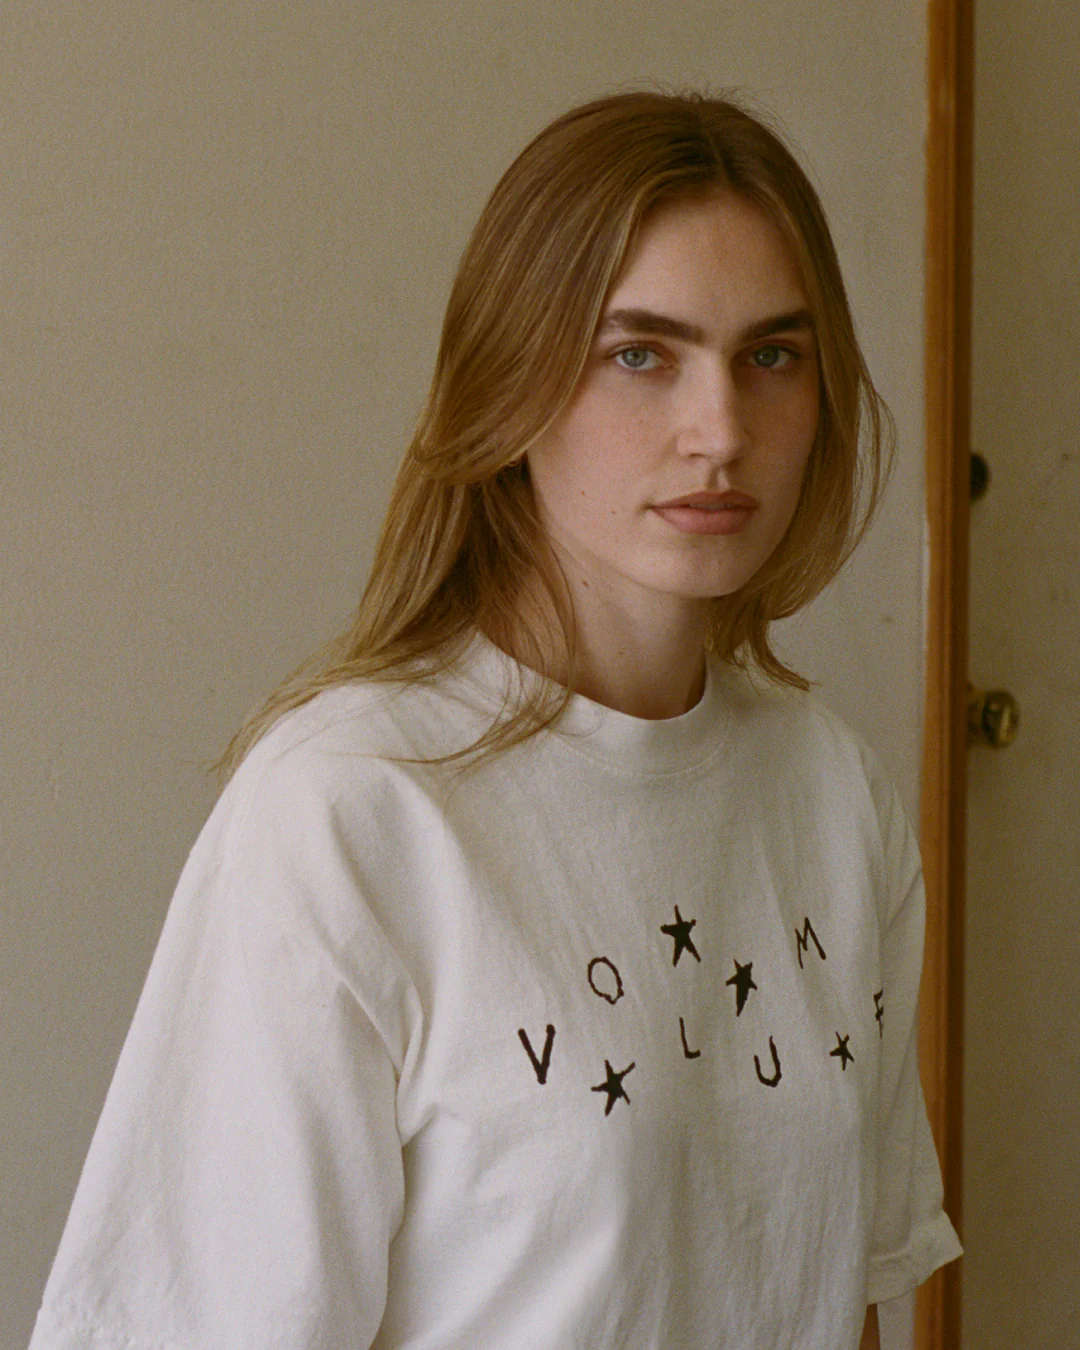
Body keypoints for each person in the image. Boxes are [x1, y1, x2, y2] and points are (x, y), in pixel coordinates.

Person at [29, 90, 962, 1350]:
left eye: (772, 356)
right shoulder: (352, 808)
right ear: (510, 378)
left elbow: (833, 1284)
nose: (722, 431)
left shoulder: (831, 792)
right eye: (641, 353)